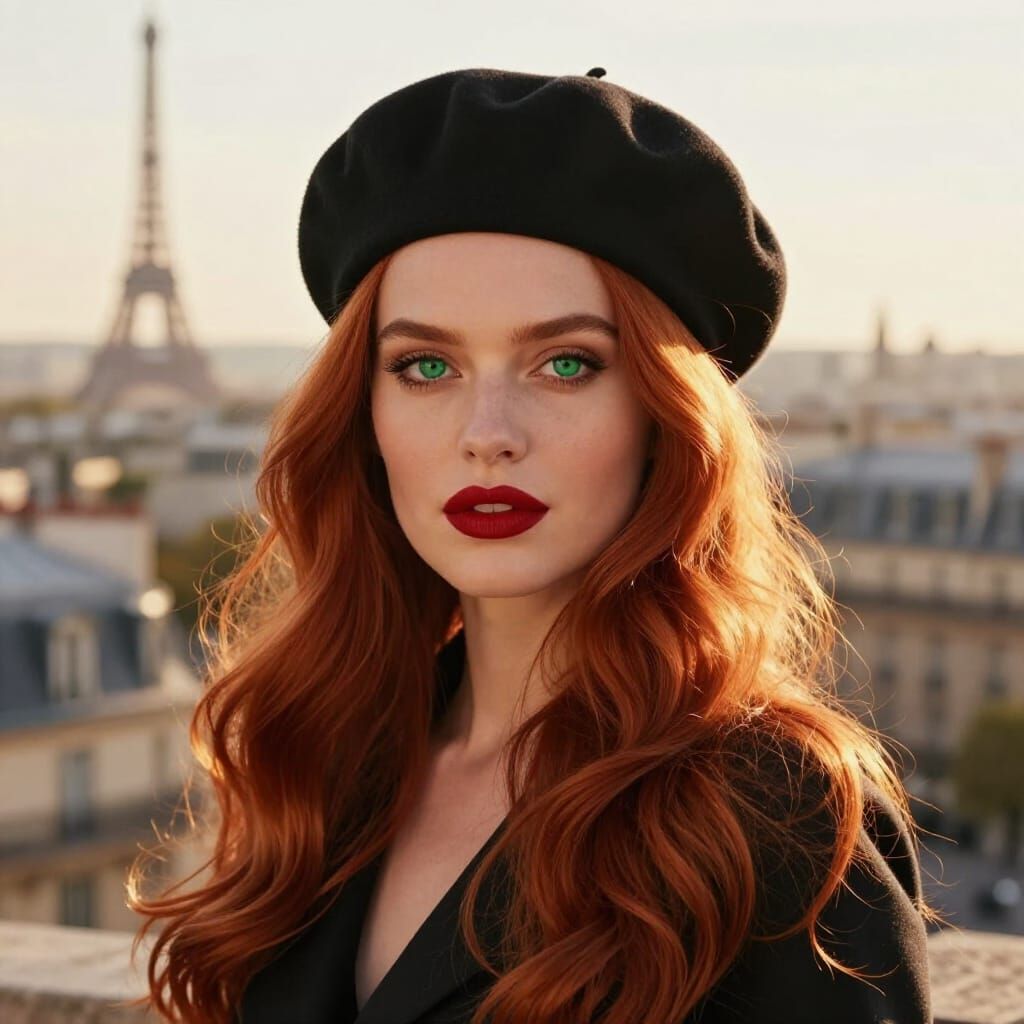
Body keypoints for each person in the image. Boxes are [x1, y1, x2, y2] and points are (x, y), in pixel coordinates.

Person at [123, 67, 941, 1024]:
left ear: (664, 419)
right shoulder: (328, 763)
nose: (489, 432)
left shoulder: (775, 820)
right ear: (366, 414)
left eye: (565, 364)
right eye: (425, 366)